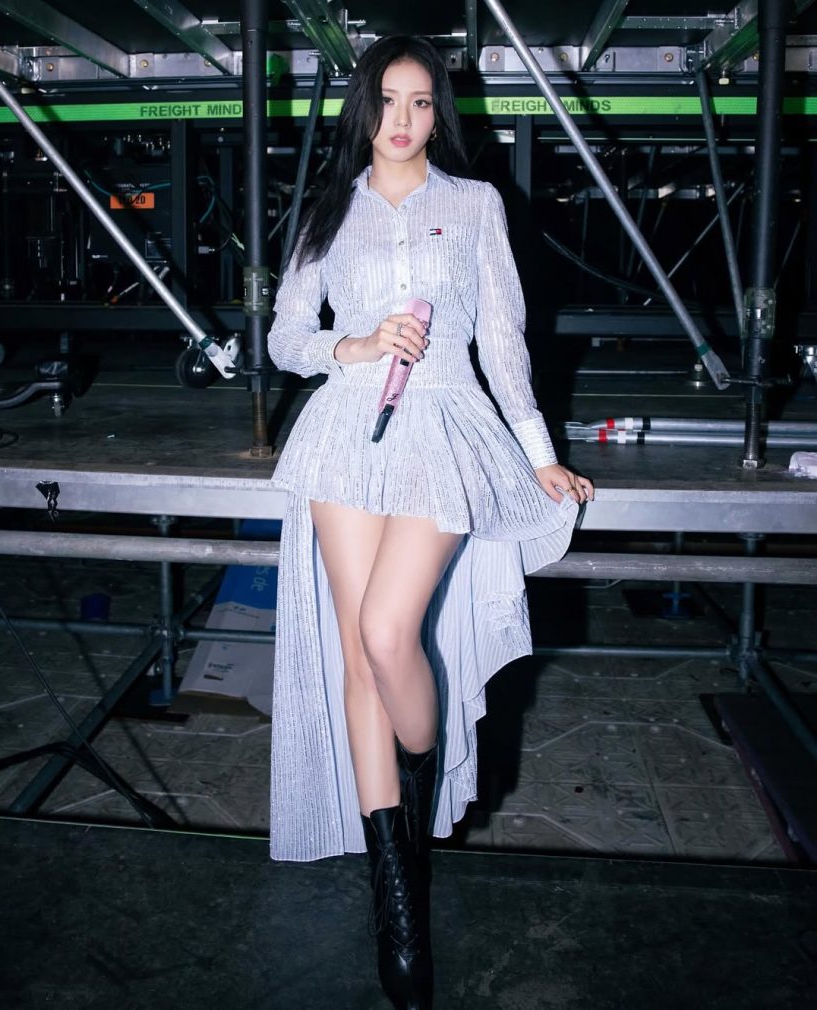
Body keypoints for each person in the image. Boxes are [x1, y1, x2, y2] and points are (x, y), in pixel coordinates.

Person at [266, 34, 594, 1010]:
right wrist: (356, 343)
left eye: (418, 101)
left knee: (385, 632)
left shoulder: (475, 203)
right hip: (344, 430)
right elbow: (286, 337)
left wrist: (538, 450)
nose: (402, 118)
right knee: (356, 649)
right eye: (387, 100)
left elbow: (504, 341)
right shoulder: (329, 210)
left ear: (437, 112)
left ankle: (417, 775)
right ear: (363, 109)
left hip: (445, 426)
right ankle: (396, 895)